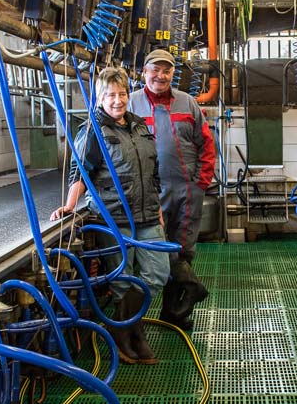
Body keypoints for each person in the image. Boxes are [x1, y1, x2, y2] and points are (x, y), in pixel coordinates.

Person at [50, 67, 169, 365]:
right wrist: (69, 206)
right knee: (124, 280)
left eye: (122, 94)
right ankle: (133, 336)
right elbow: (80, 171)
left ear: (129, 95)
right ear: (100, 98)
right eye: (111, 95)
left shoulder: (140, 126)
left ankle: (124, 331)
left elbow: (152, 174)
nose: (117, 100)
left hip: (147, 217)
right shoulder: (93, 131)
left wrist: (157, 209)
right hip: (114, 217)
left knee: (157, 274)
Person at [128, 49, 216, 330]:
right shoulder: (130, 104)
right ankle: (186, 289)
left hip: (188, 190)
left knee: (184, 248)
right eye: (155, 70)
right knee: (159, 249)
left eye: (166, 71)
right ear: (144, 72)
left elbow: (206, 144)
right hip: (150, 193)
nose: (160, 76)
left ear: (172, 74)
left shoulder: (187, 103)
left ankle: (173, 311)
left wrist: (201, 181)